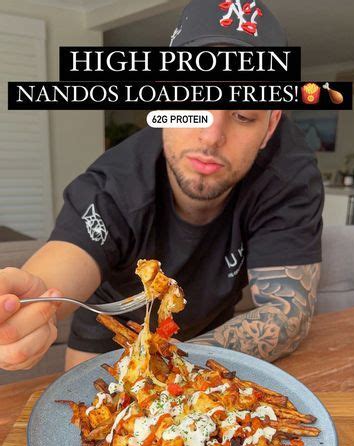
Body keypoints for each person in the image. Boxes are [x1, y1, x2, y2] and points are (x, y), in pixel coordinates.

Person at [0, 0, 323, 373]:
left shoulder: (288, 172)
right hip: (108, 339)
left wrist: (169, 361)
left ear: (269, 126)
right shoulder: (115, 186)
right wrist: (21, 312)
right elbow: (48, 284)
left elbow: (287, 312)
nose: (211, 134)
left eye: (243, 113)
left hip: (212, 340)